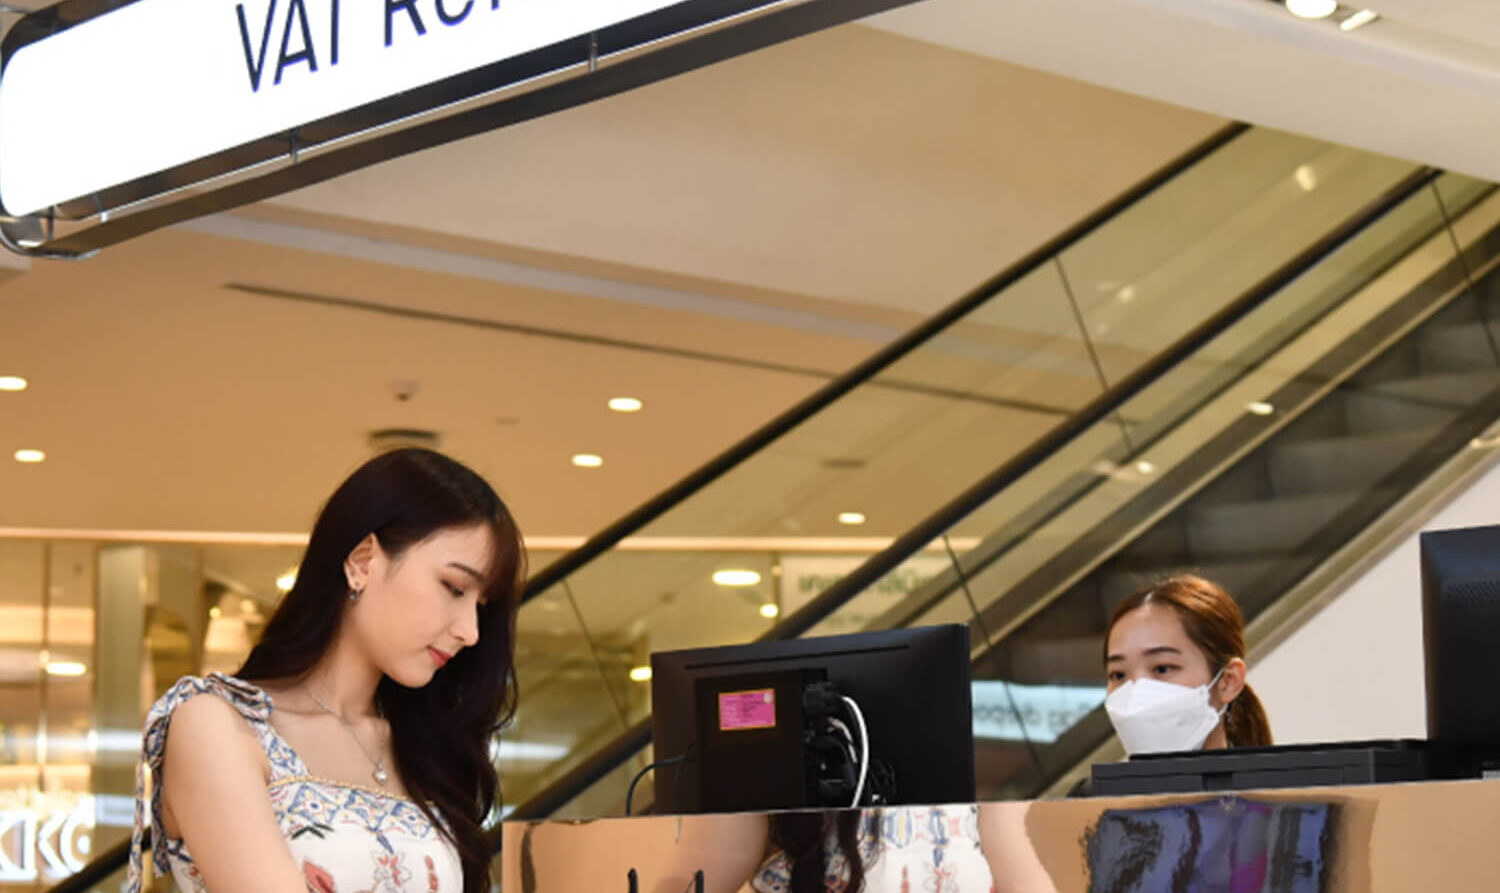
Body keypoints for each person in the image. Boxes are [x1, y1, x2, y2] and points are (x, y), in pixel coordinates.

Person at [125, 448, 526, 893]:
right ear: (362, 561)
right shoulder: (218, 724)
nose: (470, 630)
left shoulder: (421, 749)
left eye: (480, 606)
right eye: (454, 588)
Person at [1102, 574, 1272, 757]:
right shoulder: (1093, 787)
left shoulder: (1279, 786)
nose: (1136, 695)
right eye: (1118, 675)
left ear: (1229, 681)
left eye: (1162, 669)